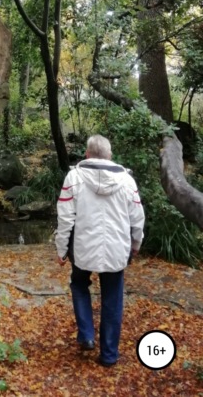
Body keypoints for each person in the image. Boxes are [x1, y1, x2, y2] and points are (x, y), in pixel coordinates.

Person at [55, 134, 145, 367]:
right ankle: (109, 355)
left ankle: (86, 333)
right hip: (117, 250)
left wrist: (62, 250)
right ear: (110, 156)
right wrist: (136, 245)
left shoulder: (74, 177)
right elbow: (137, 218)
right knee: (112, 299)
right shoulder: (127, 181)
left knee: (78, 284)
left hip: (83, 250)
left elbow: (65, 219)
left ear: (87, 154)